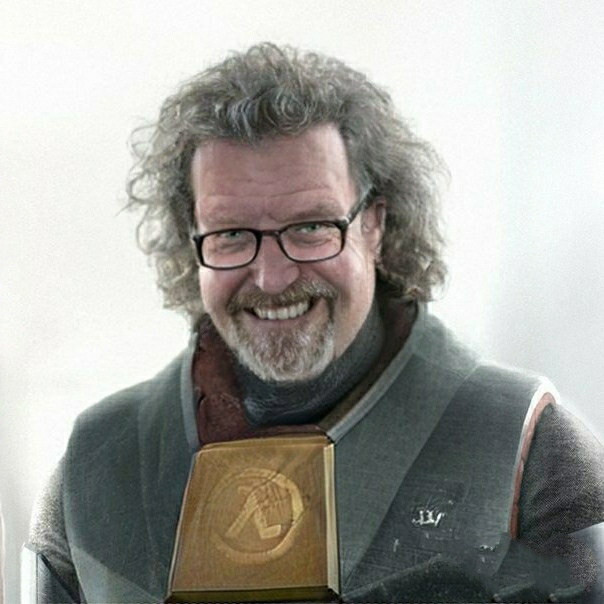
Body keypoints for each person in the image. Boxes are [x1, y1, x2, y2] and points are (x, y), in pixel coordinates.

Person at [26, 43, 603, 603]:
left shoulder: (530, 450)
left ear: (374, 225)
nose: (272, 276)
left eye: (310, 227)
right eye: (231, 235)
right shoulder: (93, 474)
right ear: (191, 240)